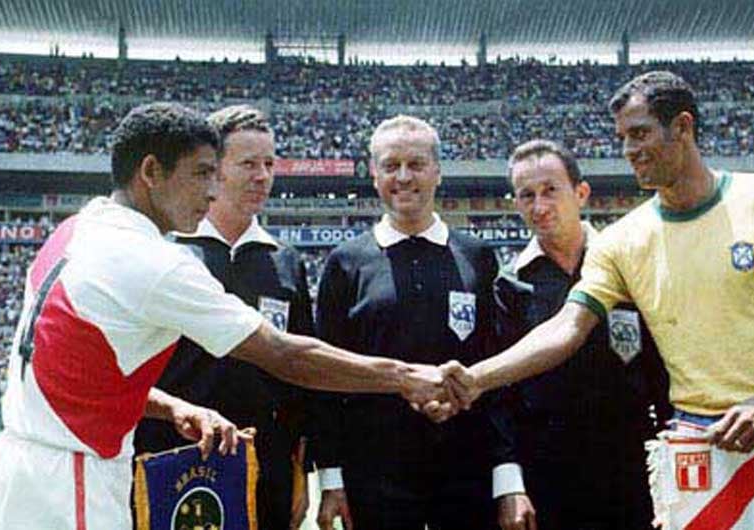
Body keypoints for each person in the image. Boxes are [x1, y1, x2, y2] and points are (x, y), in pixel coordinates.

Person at [0, 103, 460, 530]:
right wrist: (405, 377)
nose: (212, 192)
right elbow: (284, 355)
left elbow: (88, 375)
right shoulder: (155, 263)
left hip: (21, 469)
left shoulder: (77, 229)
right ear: (151, 171)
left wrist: (173, 407)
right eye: (202, 174)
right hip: (71, 486)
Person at [447, 72, 754, 529]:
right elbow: (568, 328)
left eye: (640, 133)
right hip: (701, 439)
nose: (629, 150)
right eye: (623, 138)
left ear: (683, 126)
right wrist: (475, 378)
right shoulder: (623, 241)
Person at [313, 115, 499, 530]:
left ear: (437, 171)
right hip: (376, 476)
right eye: (390, 165)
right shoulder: (345, 263)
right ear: (374, 174)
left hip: (466, 471)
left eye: (415, 165)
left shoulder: (478, 256)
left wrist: (507, 477)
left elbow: (497, 368)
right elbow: (324, 378)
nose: (403, 177)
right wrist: (331, 478)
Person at [133, 105, 312, 529]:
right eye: (248, 163)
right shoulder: (167, 252)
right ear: (214, 170)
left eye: (269, 164)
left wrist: (300, 468)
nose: (262, 176)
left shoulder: (285, 262)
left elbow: (300, 379)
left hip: (264, 468)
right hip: (174, 460)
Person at [490, 139, 670, 530]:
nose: (540, 206)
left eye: (551, 190)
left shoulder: (630, 266)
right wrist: (510, 483)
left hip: (634, 470)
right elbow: (501, 396)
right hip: (548, 477)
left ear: (581, 193)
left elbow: (664, 370)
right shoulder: (509, 287)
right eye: (527, 195)